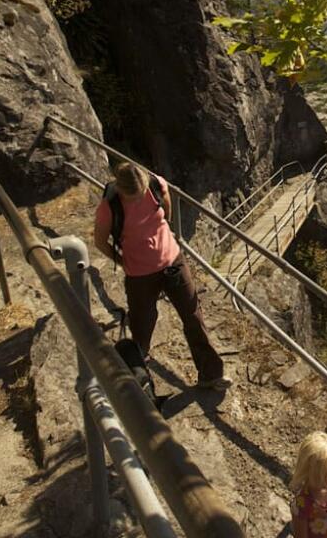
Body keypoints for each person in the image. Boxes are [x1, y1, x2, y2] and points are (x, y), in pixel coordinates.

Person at [93, 162, 229, 389]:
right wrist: (122, 261)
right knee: (142, 323)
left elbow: (165, 213)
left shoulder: (155, 184)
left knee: (192, 314)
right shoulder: (109, 207)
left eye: (141, 193)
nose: (138, 199)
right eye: (133, 196)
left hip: (172, 261)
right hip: (139, 274)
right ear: (120, 188)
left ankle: (211, 374)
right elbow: (100, 241)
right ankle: (139, 373)